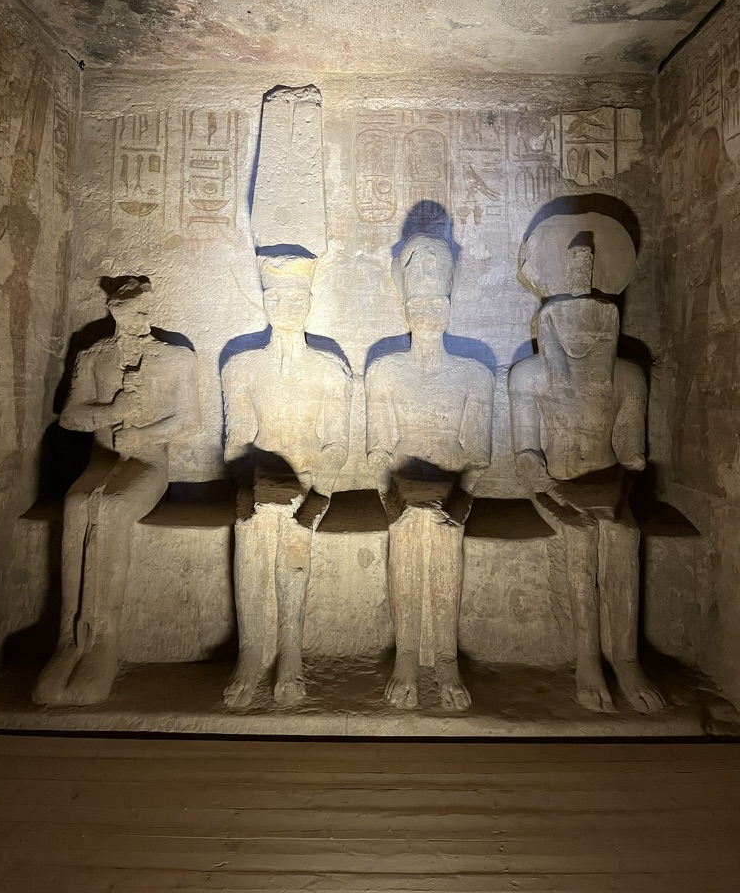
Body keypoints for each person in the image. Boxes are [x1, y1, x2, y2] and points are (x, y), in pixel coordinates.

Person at [33, 277, 201, 705]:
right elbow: (70, 417)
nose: (139, 318)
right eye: (129, 311)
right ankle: (69, 640)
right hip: (102, 461)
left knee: (110, 510)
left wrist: (143, 435)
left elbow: (189, 421)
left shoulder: (175, 358)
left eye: (144, 310)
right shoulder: (94, 356)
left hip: (148, 463)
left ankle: (101, 639)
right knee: (76, 505)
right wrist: (111, 411)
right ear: (114, 311)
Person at [509, 291, 665, 714]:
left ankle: (626, 660)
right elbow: (526, 454)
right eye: (570, 329)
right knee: (580, 536)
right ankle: (587, 660)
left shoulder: (627, 377)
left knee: (624, 534)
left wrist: (618, 485)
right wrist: (551, 485)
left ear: (607, 331)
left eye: (591, 330)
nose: (580, 339)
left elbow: (632, 457)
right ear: (550, 329)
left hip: (610, 486)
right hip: (552, 486)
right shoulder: (529, 376)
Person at [365, 234, 493, 710]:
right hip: (402, 488)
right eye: (418, 304)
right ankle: (406, 657)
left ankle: (445, 659)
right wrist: (392, 499)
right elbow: (379, 451)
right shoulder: (385, 370)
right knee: (409, 530)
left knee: (441, 536)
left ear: (450, 307)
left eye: (437, 303)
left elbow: (477, 457)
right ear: (405, 309)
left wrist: (456, 501)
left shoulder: (474, 374)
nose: (427, 313)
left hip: (452, 489)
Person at [221, 255, 352, 708]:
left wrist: (317, 489)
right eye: (275, 297)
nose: (286, 306)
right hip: (261, 482)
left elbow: (336, 444)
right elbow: (237, 443)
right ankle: (251, 653)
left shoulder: (329, 367)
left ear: (310, 301)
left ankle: (291, 655)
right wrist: (252, 487)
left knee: (294, 534)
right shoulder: (241, 366)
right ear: (263, 301)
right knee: (255, 529)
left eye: (296, 297)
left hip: (311, 481)